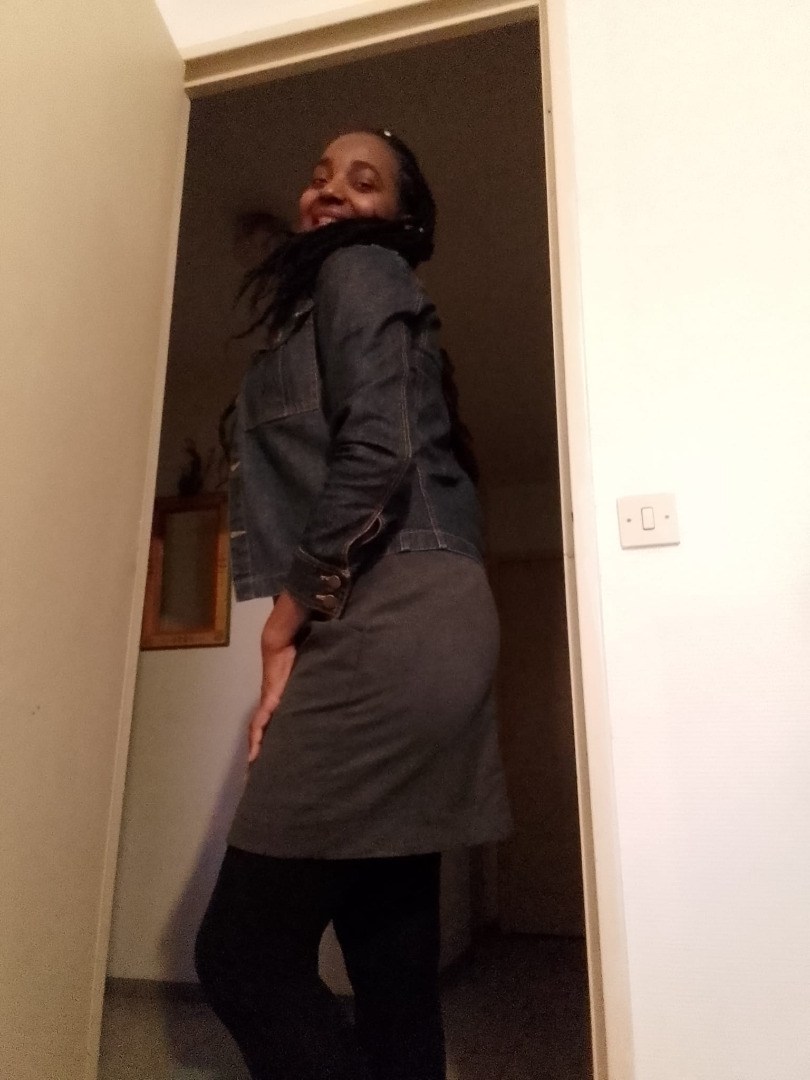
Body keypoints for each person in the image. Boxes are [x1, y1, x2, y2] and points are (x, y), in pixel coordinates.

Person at [195, 129, 511, 1080]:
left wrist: (281, 627)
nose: (329, 190)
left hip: (388, 616)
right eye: (319, 176)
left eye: (362, 181)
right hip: (422, 613)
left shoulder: (361, 267)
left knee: (243, 957)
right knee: (389, 952)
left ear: (399, 219)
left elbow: (377, 453)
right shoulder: (349, 292)